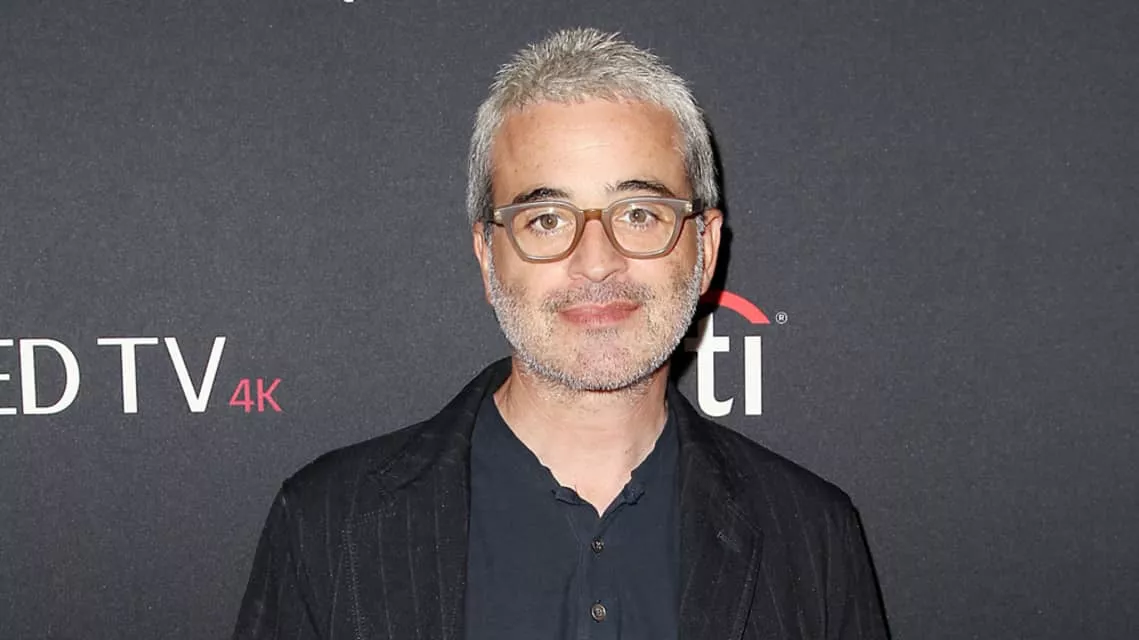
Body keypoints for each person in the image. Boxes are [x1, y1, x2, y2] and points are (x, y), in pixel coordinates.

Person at [234, 27, 889, 640]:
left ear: (705, 247)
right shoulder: (325, 524)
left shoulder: (813, 536)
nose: (596, 261)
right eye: (546, 219)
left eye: (638, 213)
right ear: (488, 257)